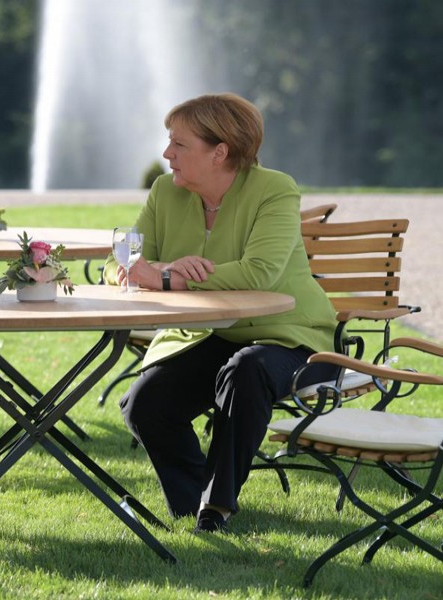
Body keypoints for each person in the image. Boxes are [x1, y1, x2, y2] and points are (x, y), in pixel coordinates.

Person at [104, 93, 338, 532]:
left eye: (179, 144)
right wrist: (155, 269)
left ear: (220, 152)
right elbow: (120, 263)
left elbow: (260, 271)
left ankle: (216, 508)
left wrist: (168, 279)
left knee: (246, 370)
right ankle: (192, 504)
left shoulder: (274, 190)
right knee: (146, 404)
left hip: (292, 337)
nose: (166, 154)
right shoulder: (164, 192)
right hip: (213, 335)